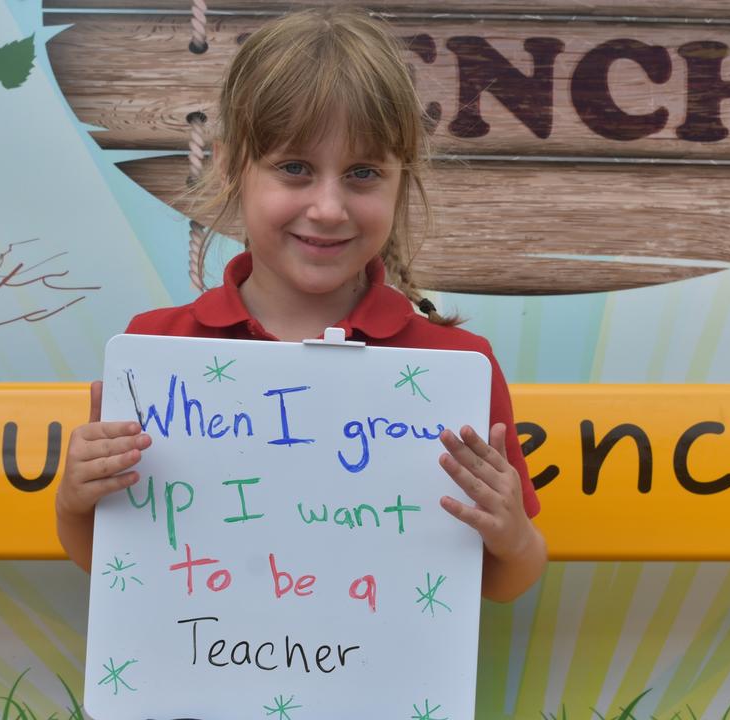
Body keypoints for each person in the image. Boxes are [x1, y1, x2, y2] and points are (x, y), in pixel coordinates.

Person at [56, 6, 546, 603]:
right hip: (200, 682)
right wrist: (76, 500)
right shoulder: (161, 351)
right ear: (233, 166)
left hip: (379, 691)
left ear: (401, 181)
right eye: (294, 168)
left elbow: (505, 583)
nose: (329, 208)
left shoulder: (455, 369)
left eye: (363, 173)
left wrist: (513, 537)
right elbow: (114, 566)